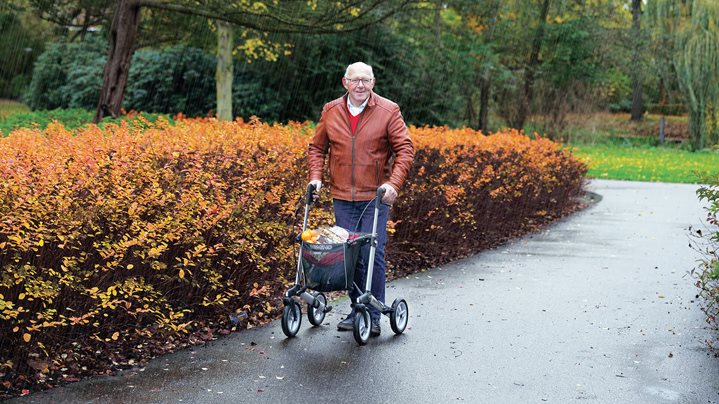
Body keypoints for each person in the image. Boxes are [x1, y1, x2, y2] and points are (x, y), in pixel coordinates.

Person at [307, 62, 414, 337]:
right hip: (342, 196)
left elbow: (405, 149)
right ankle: (357, 309)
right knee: (350, 254)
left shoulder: (389, 111)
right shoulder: (331, 111)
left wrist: (393, 184)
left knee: (373, 252)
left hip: (374, 197)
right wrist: (316, 177)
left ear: (373, 82)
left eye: (365, 80)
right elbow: (317, 148)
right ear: (345, 82)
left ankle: (373, 314)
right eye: (355, 80)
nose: (360, 85)